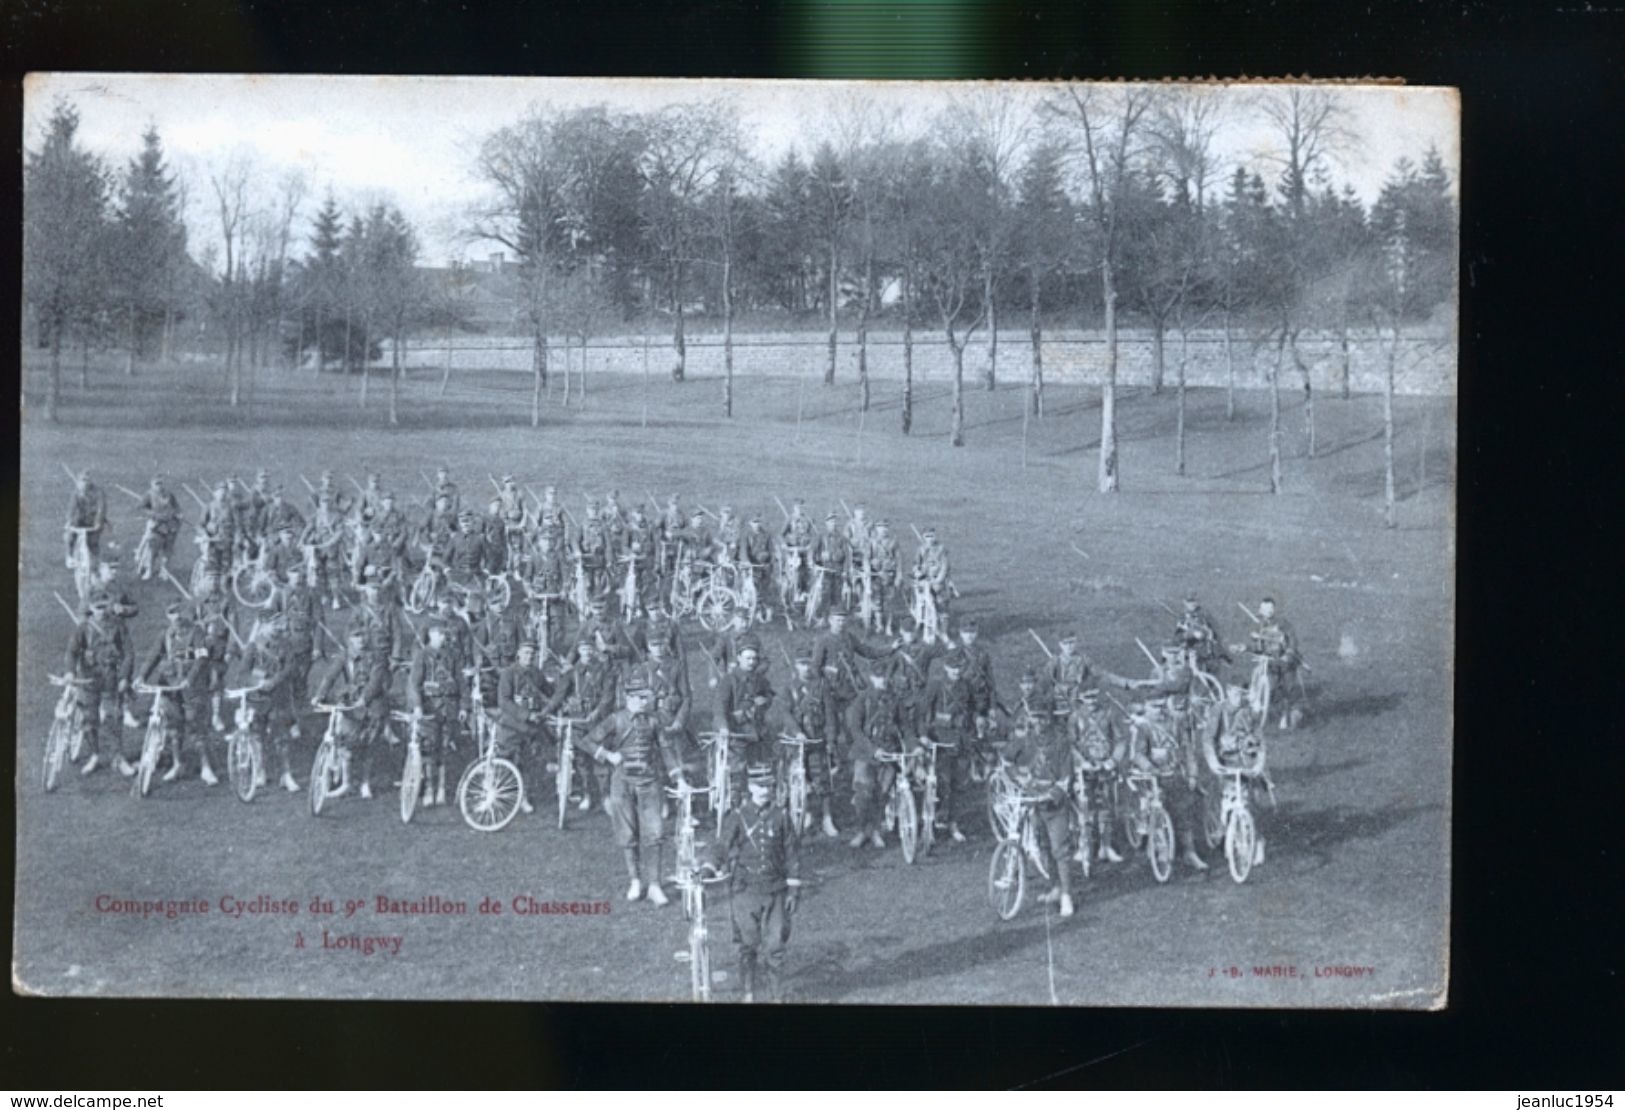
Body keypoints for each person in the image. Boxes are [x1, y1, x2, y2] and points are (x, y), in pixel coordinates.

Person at [705, 763, 803, 1003]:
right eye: (760, 786)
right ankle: (748, 993)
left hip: (775, 891)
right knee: (747, 945)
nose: (765, 791)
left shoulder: (781, 816)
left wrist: (793, 889)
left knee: (776, 946)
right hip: (745, 890)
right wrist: (709, 866)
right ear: (750, 787)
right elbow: (722, 845)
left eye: (769, 785)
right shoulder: (737, 817)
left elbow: (791, 854)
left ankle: (776, 997)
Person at [584, 679, 684, 906]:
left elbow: (666, 750)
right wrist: (608, 755)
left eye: (646, 697)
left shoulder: (654, 721)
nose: (645, 701)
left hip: (649, 782)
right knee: (627, 834)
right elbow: (587, 740)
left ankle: (655, 885)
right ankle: (635, 881)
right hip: (622, 782)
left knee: (655, 833)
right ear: (630, 697)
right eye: (641, 697)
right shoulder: (616, 719)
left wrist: (679, 779)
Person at [997, 704, 1078, 916]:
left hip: (1054, 805)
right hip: (1033, 802)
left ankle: (1067, 895)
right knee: (1043, 846)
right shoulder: (1025, 741)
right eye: (1035, 718)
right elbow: (1006, 761)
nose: (1039, 723)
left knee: (1059, 848)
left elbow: (1066, 777)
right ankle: (1055, 887)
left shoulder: (1061, 743)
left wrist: (1053, 794)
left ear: (1050, 719)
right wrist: (1018, 779)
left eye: (1043, 718)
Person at [540, 638, 617, 812]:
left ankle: (605, 796)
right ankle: (588, 794)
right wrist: (545, 712)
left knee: (600, 764)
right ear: (579, 651)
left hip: (597, 720)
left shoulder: (605, 671)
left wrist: (596, 712)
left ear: (594, 650)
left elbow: (608, 696)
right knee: (582, 761)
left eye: (590, 649)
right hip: (578, 720)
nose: (587, 652)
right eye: (583, 649)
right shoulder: (572, 673)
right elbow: (559, 696)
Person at [1200, 682, 1271, 867]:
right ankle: (1222, 830)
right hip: (1225, 763)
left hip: (1248, 762)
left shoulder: (1249, 713)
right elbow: (1208, 738)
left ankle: (1259, 842)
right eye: (1236, 694)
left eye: (1242, 695)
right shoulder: (1219, 710)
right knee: (1220, 796)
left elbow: (1260, 742)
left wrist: (1259, 764)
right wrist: (1213, 762)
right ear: (1229, 692)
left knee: (1254, 803)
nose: (1239, 698)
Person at [138, 602, 209, 783]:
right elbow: (153, 656)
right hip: (170, 684)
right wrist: (141, 677)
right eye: (171, 613)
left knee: (195, 725)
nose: (176, 617)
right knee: (173, 726)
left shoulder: (197, 633)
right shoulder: (166, 635)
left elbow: (201, 658)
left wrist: (190, 679)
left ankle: (206, 766)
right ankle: (177, 764)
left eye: (179, 612)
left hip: (191, 686)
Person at [66, 591, 134, 777]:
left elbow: (128, 653)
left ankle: (119, 757)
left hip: (111, 678)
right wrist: (70, 672)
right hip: (88, 679)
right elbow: (72, 652)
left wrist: (124, 677)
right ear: (90, 608)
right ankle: (95, 754)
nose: (102, 611)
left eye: (104, 607)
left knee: (114, 718)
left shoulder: (118, 626)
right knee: (89, 720)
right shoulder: (83, 629)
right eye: (97, 608)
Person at [408, 620, 469, 808]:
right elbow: (414, 684)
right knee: (428, 748)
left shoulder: (454, 656)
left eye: (445, 634)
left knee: (444, 749)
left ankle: (441, 788)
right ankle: (428, 788)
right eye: (439, 634)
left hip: (449, 707)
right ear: (431, 635)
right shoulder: (422, 656)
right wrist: (418, 706)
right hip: (429, 707)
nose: (443, 637)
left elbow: (461, 682)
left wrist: (464, 707)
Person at [917, 652, 977, 843]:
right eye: (952, 668)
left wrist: (973, 733)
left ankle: (953, 824)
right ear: (946, 668)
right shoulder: (936, 685)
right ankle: (931, 823)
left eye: (959, 668)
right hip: (940, 741)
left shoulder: (967, 686)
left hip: (960, 742)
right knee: (941, 784)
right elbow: (923, 713)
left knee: (959, 786)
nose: (956, 671)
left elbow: (972, 711)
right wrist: (924, 735)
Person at [845, 667, 906, 849]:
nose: (883, 681)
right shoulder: (862, 699)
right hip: (865, 754)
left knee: (882, 794)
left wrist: (914, 746)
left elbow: (905, 727)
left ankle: (876, 830)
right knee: (863, 794)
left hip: (888, 754)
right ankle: (863, 831)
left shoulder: (895, 701)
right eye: (879, 678)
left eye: (886, 677)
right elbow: (855, 730)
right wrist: (873, 750)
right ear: (872, 678)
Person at [782, 650, 840, 838]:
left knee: (823, 780)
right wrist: (797, 732)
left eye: (808, 663)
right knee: (797, 776)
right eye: (801, 663)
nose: (806, 668)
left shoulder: (821, 687)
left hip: (816, 739)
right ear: (795, 666)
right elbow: (785, 713)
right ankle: (804, 813)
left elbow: (831, 716)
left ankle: (827, 818)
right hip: (796, 741)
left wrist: (830, 740)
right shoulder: (789, 688)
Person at [713, 639, 776, 805]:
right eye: (747, 658)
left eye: (754, 659)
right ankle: (736, 800)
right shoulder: (728, 681)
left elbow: (769, 695)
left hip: (757, 732)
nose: (751, 662)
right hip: (737, 733)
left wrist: (765, 701)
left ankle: (761, 798)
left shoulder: (760, 679)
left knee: (764, 769)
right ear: (738, 658)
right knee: (737, 769)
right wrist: (724, 728)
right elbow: (719, 708)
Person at [239, 622, 299, 792]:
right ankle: (259, 771)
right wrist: (258, 682)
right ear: (263, 628)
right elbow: (242, 674)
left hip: (278, 698)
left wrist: (274, 681)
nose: (276, 629)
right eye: (272, 625)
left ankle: (286, 775)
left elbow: (290, 669)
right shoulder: (252, 648)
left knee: (281, 739)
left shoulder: (286, 646)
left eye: (277, 626)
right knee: (257, 737)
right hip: (257, 699)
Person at [1071, 687, 1127, 866]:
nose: (1092, 701)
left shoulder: (1108, 714)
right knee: (1084, 808)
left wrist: (1113, 760)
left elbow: (1120, 740)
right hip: (1085, 769)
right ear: (1081, 697)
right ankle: (1084, 847)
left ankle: (1106, 846)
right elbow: (1070, 745)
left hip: (1105, 766)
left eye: (1095, 696)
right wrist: (1081, 762)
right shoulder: (1075, 717)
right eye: (1087, 697)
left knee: (1107, 807)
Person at [495, 640, 550, 816]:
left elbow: (549, 692)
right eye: (525, 653)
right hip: (511, 726)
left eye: (532, 654)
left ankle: (523, 797)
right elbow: (504, 701)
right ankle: (501, 796)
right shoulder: (508, 673)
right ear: (518, 654)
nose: (529, 657)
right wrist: (525, 715)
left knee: (528, 763)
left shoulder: (537, 674)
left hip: (530, 728)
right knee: (506, 761)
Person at [1246, 596, 1304, 729]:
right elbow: (1255, 645)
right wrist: (1248, 647)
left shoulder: (1283, 623)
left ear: (1275, 609)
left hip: (1284, 662)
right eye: (1265, 609)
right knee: (1268, 685)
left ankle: (1288, 716)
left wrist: (1288, 654)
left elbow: (1292, 641)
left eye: (1271, 608)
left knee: (1288, 689)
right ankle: (1260, 706)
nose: (1269, 611)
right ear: (1260, 610)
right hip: (1269, 661)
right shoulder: (1258, 625)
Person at [137, 477, 182, 580]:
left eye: (161, 483)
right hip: (156, 526)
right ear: (152, 485)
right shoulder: (149, 495)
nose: (159, 486)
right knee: (152, 550)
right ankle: (149, 570)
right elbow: (141, 508)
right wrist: (153, 514)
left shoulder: (169, 494)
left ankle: (164, 571)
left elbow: (177, 506)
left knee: (168, 550)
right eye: (156, 484)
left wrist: (179, 514)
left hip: (170, 526)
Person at [1174, 594, 1230, 674]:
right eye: (1190, 601)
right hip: (1191, 651)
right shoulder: (1183, 617)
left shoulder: (1205, 615)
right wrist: (1191, 634)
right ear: (1184, 602)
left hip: (1207, 651)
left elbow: (1215, 631)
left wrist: (1209, 634)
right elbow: (1178, 637)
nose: (1193, 604)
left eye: (1195, 601)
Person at [64, 469, 108, 566]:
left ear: (90, 481)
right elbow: (72, 508)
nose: (84, 483)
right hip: (80, 520)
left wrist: (98, 522)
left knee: (93, 543)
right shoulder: (76, 493)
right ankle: (69, 556)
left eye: (86, 480)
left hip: (94, 521)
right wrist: (69, 521)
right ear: (78, 482)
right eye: (82, 480)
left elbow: (101, 508)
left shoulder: (98, 492)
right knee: (70, 536)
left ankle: (97, 564)